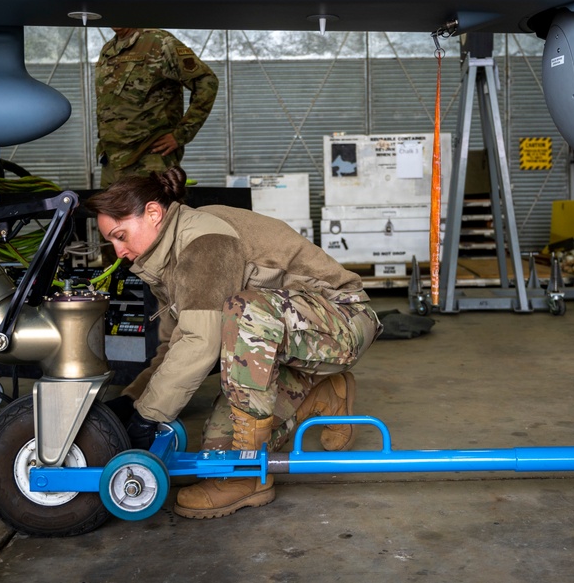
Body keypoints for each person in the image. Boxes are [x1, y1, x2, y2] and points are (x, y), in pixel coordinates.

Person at [84, 166, 382, 519]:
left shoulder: (204, 243)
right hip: (291, 334)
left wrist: (149, 416)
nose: (118, 251)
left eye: (121, 235)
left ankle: (245, 475)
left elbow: (202, 343)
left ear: (152, 213)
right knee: (217, 448)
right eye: (112, 241)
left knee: (242, 312)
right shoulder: (168, 259)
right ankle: (322, 394)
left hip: (343, 319)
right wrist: (133, 400)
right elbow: (174, 347)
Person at [95, 28, 219, 187]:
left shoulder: (159, 42)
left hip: (150, 157)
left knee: (153, 210)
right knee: (111, 211)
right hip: (112, 161)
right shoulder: (108, 49)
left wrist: (181, 134)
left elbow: (207, 82)